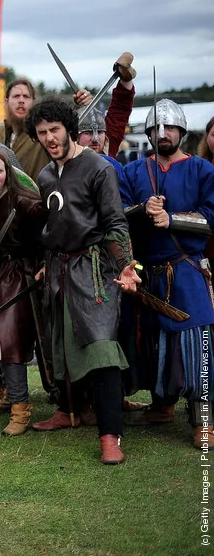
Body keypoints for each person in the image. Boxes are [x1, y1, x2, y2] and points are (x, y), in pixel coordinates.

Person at [25, 95, 140, 465]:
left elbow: (115, 222)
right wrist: (48, 260)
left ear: (68, 129)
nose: (49, 138)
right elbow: (54, 225)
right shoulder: (45, 175)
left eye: (54, 129)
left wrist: (125, 265)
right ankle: (68, 411)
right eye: (42, 132)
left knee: (101, 348)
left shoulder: (97, 167)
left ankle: (110, 436)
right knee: (61, 346)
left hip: (93, 270)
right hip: (59, 270)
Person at [120, 99, 214, 448]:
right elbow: (118, 216)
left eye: (170, 128)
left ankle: (203, 420)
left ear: (181, 131)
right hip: (148, 272)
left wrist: (171, 219)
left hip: (186, 268)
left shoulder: (202, 169)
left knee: (196, 344)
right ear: (149, 133)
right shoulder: (133, 171)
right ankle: (163, 405)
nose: (164, 134)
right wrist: (143, 210)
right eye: (158, 129)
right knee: (154, 345)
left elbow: (211, 217)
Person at [0, 145, 47, 435]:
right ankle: (6, 393)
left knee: (9, 340)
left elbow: (47, 226)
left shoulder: (22, 201)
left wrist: (43, 263)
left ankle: (21, 409)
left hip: (21, 276)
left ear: (8, 173)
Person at [0, 78, 51, 180]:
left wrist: (85, 104)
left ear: (33, 102)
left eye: (26, 97)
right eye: (16, 96)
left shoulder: (42, 133)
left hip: (35, 194)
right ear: (6, 102)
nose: (21, 100)